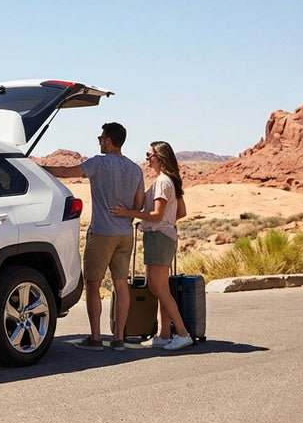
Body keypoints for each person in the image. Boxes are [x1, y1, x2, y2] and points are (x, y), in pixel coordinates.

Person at [43, 122, 144, 351]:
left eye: (101, 137)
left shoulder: (98, 163)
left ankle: (96, 337)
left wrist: (39, 168)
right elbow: (138, 204)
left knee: (93, 284)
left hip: (102, 232)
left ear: (109, 140)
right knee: (121, 284)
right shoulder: (135, 169)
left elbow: (67, 173)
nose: (99, 140)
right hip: (125, 234)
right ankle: (119, 338)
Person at [109, 141, 194, 351]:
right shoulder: (167, 181)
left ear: (160, 157)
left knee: (158, 287)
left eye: (150, 154)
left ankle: (182, 333)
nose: (147, 158)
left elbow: (157, 215)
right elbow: (180, 212)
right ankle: (164, 334)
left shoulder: (163, 182)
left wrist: (129, 214)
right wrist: (160, 221)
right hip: (161, 236)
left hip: (158, 237)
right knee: (160, 288)